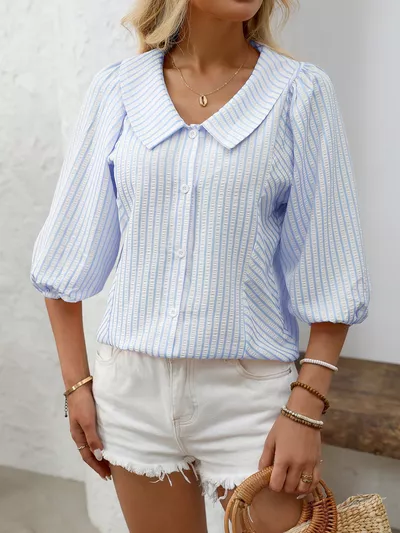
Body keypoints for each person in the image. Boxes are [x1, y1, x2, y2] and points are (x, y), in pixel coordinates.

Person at [30, 0, 370, 532]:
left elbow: (331, 267)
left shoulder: (300, 93)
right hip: (132, 391)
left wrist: (305, 407)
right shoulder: (118, 90)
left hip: (251, 397)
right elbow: (66, 254)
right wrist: (76, 385)